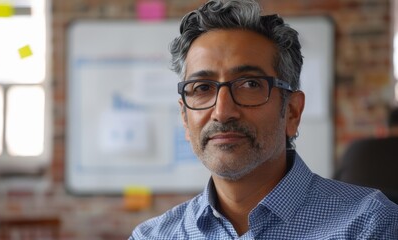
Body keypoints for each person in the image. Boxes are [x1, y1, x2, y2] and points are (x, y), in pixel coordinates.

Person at [130, 0, 398, 239]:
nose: (222, 112)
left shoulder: (369, 226)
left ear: (292, 111)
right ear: (185, 118)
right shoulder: (152, 235)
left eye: (249, 84)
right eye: (202, 88)